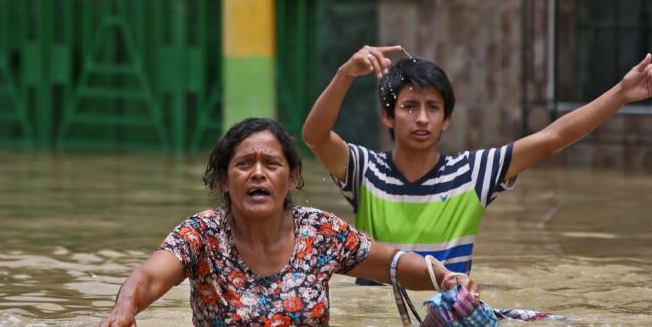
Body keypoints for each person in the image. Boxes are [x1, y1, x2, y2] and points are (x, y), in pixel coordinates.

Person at [302, 45, 652, 276]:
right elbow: (314, 136)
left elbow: (553, 137)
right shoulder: (365, 170)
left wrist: (621, 94)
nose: (421, 119)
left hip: (449, 314)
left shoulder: (472, 173)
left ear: (446, 119)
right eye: (409, 107)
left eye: (433, 108)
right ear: (388, 116)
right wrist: (346, 74)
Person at [98, 117, 477, 327]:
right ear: (224, 181)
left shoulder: (319, 232)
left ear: (292, 177)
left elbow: (391, 263)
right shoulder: (203, 234)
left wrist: (442, 276)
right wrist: (124, 310)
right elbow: (148, 276)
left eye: (271, 164)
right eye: (244, 164)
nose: (258, 174)